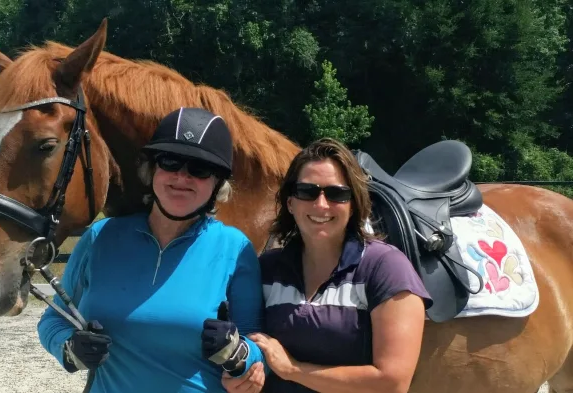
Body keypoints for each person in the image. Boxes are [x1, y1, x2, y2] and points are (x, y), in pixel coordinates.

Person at [37, 107, 267, 393]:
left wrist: (238, 351)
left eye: (199, 169)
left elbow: (258, 348)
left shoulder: (235, 248)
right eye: (170, 162)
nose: (182, 177)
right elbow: (53, 320)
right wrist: (70, 348)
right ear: (152, 169)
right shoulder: (100, 237)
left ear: (217, 182)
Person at [247, 137, 433, 393]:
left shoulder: (385, 267)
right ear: (290, 203)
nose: (321, 204)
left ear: (353, 203)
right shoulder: (266, 269)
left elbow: (392, 382)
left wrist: (294, 370)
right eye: (307, 192)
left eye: (337, 194)